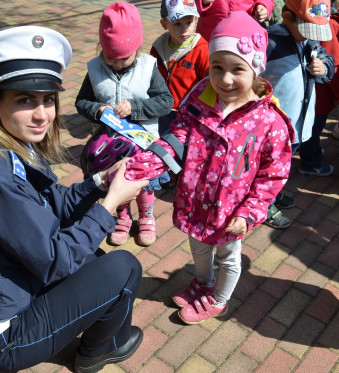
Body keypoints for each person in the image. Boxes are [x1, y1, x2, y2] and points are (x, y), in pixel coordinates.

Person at [0, 26, 149, 373]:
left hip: (2, 289)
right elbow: (56, 261)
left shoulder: (8, 144)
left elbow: (53, 201)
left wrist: (100, 182)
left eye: (48, 99)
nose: (42, 115)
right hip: (3, 332)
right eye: (25, 100)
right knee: (124, 267)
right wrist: (110, 204)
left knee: (96, 259)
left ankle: (104, 336)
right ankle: (99, 350)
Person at [123, 12, 294, 324]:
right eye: (218, 67)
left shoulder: (269, 120)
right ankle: (203, 282)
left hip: (232, 212)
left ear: (255, 69)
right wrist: (142, 165)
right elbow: (179, 132)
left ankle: (218, 299)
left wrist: (250, 212)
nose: (225, 79)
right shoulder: (202, 96)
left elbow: (274, 172)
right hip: (195, 200)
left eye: (237, 69)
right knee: (198, 247)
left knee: (229, 257)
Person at [75, 2, 174, 246]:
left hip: (143, 142)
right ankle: (122, 215)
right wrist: (97, 110)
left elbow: (165, 101)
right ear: (101, 48)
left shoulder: (148, 67)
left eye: (125, 58)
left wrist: (137, 107)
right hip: (109, 143)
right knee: (116, 180)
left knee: (143, 181)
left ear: (137, 47)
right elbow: (81, 102)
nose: (118, 64)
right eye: (111, 58)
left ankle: (146, 215)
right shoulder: (95, 69)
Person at [261, 0, 335, 229]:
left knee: (283, 165)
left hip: (299, 123)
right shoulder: (270, 42)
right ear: (287, 17)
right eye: (306, 29)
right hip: (274, 124)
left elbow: (327, 59)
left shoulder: (309, 41)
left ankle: (273, 194)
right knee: (268, 166)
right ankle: (264, 205)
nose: (310, 36)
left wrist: (324, 68)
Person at [152, 0, 209, 134]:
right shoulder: (158, 48)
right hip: (160, 109)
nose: (184, 29)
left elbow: (209, 84)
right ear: (164, 24)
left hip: (188, 113)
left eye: (189, 22)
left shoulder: (201, 49)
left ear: (195, 19)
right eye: (177, 23)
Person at [314, 0, 339, 143]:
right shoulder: (328, 24)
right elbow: (335, 66)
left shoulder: (324, 17)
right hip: (320, 95)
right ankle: (311, 161)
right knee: (314, 130)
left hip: (317, 92)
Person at [194, 0, 274, 42]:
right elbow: (187, 5)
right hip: (210, 36)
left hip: (244, 35)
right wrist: (202, 2)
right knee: (211, 67)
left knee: (241, 66)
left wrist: (263, 5)